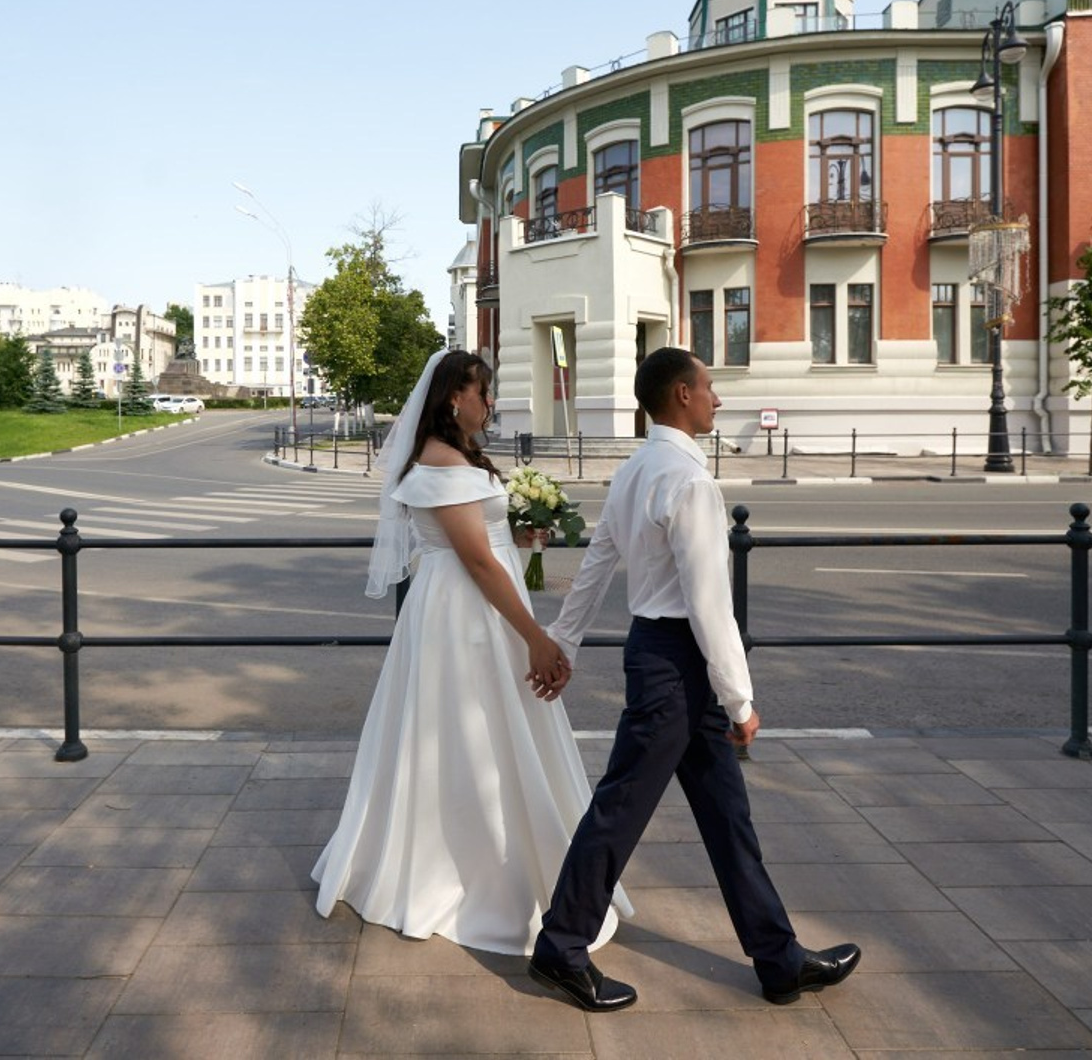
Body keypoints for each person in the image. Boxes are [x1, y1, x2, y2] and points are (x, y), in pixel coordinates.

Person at [526, 347, 860, 1011]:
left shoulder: (633, 471)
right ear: (681, 394)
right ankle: (561, 948)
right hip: (679, 666)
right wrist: (740, 700)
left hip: (661, 656)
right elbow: (710, 604)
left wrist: (564, 641)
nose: (718, 398)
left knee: (727, 816)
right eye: (709, 387)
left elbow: (596, 565)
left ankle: (779, 961)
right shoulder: (689, 482)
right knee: (620, 808)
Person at [312, 348, 631, 955]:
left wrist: (518, 533)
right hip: (467, 614)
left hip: (471, 605)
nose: (491, 402)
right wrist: (536, 637)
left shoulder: (454, 456)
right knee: (473, 731)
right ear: (455, 397)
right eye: (484, 391)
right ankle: (471, 872)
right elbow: (478, 563)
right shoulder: (440, 462)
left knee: (483, 731)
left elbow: (482, 539)